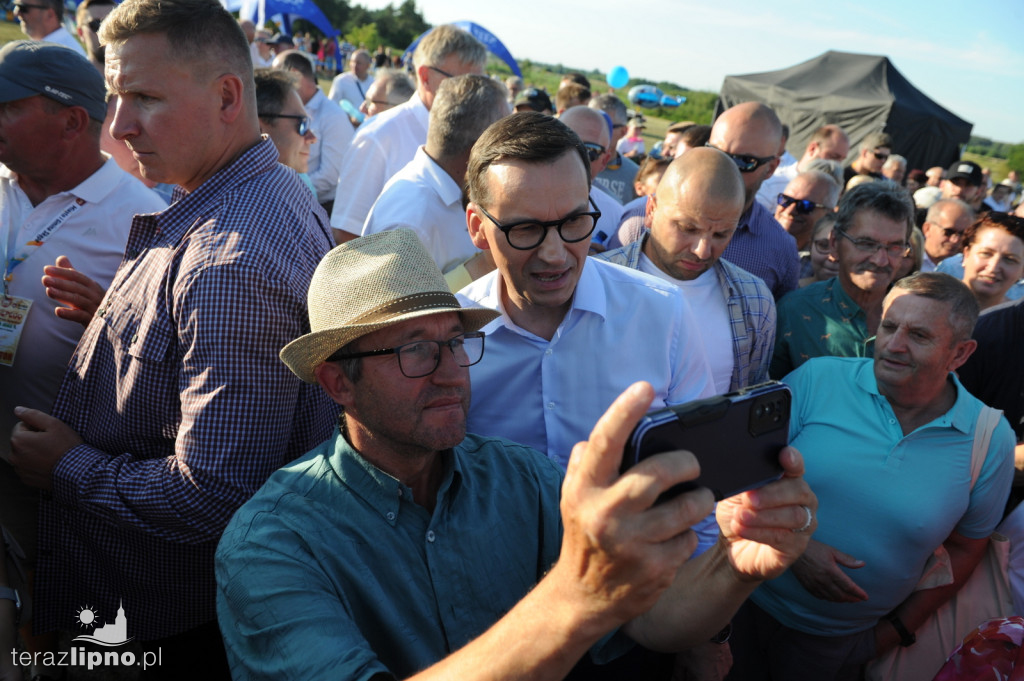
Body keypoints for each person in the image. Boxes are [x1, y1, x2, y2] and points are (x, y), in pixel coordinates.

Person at [215, 228, 819, 681]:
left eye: (455, 343)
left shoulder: (521, 478)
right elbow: (590, 602)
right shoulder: (272, 543)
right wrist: (574, 598)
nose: (452, 373)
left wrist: (735, 567)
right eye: (415, 351)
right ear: (337, 383)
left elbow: (644, 622)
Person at [7, 0, 336, 675]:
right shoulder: (246, 195)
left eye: (145, 98)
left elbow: (215, 492)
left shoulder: (232, 261)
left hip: (151, 620)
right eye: (114, 96)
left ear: (226, 97)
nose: (119, 125)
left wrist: (67, 466)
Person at [729, 272, 1015, 681]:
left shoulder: (989, 440)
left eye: (919, 335)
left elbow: (966, 548)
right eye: (889, 326)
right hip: (742, 603)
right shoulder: (818, 379)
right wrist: (797, 547)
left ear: (960, 353)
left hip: (840, 645)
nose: (894, 346)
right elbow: (741, 472)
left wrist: (894, 632)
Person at [0, 41, 166, 670]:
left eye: (8, 107)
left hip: (61, 478)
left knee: (69, 635)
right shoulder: (4, 187)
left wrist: (110, 315)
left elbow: (169, 365)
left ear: (71, 121)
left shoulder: (143, 219)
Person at [456, 111, 714, 468]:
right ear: (477, 227)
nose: (554, 254)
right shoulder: (451, 334)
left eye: (574, 221)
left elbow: (701, 465)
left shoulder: (665, 314)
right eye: (526, 229)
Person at [599, 147, 776, 394]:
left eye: (721, 234)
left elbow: (752, 398)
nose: (702, 250)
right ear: (650, 210)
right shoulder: (597, 282)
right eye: (687, 228)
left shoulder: (755, 300)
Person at [330, 25, 487, 243]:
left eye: (480, 85)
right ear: (425, 77)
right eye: (462, 83)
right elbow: (347, 235)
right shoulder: (379, 135)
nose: (475, 96)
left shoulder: (476, 134)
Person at [362, 74, 510, 274]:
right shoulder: (410, 220)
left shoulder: (446, 195)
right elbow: (391, 304)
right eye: (504, 141)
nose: (508, 152)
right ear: (479, 148)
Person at [771, 180, 914, 378]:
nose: (881, 260)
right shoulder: (794, 311)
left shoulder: (918, 318)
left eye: (895, 247)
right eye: (866, 243)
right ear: (834, 243)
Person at [708, 102, 800, 299]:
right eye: (716, 153)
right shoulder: (642, 219)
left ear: (771, 169)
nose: (726, 168)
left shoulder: (780, 249)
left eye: (744, 162)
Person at [273, 49, 355, 212]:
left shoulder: (333, 115)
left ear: (295, 76)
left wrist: (282, 190)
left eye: (277, 79)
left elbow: (330, 176)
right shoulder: (289, 109)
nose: (274, 88)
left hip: (320, 207)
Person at [559, 106, 623, 246]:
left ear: (604, 161)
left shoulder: (617, 217)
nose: (573, 157)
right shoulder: (520, 195)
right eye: (563, 144)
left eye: (589, 150)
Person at [755, 124, 850, 211]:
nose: (837, 164)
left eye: (842, 159)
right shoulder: (772, 182)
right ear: (813, 148)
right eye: (833, 157)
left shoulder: (833, 190)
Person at [254, 68, 317, 179]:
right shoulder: (252, 195)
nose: (312, 138)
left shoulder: (293, 184)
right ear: (258, 128)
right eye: (302, 124)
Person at [959, 212, 1024, 311]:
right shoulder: (930, 301)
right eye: (986, 253)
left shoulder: (1017, 323)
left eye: (1009, 259)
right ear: (966, 255)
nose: (994, 267)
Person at [773, 170, 840, 254]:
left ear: (828, 214)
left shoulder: (824, 261)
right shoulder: (754, 231)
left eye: (805, 205)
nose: (790, 210)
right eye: (786, 200)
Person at [590, 94, 640, 204]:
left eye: (605, 126)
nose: (593, 131)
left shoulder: (635, 175)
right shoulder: (570, 166)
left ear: (623, 131)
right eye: (589, 124)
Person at [12, 0, 86, 56]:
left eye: (23, 8)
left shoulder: (62, 54)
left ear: (49, 14)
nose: (16, 13)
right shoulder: (50, 47)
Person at [920, 198, 974, 272]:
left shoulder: (968, 269)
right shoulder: (907, 261)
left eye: (963, 234)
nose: (955, 240)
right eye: (949, 232)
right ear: (927, 229)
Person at [75, 0, 115, 70]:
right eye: (96, 24)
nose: (105, 32)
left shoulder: (136, 76)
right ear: (81, 33)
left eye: (113, 23)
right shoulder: (73, 78)